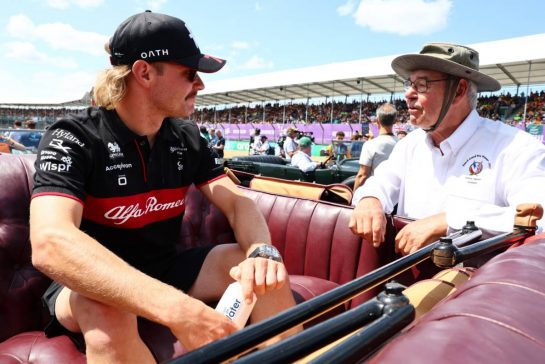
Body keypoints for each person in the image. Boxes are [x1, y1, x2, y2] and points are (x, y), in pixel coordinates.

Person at [30, 11, 298, 364]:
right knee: (107, 308)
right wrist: (178, 309)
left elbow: (238, 203)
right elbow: (50, 242)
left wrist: (262, 252)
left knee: (258, 271)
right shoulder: (73, 136)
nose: (200, 84)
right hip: (88, 283)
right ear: (143, 72)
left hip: (164, 267)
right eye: (189, 73)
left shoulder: (187, 137)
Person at [349, 42, 545, 256]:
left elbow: (537, 219)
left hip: (475, 284)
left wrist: (451, 220)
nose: (408, 94)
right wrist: (370, 199)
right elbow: (381, 182)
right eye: (409, 84)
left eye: (422, 85)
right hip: (403, 278)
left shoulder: (517, 147)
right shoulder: (409, 145)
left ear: (459, 90)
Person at [353, 103, 398, 191]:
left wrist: (353, 198)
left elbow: (362, 175)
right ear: (395, 121)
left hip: (377, 195)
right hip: (398, 198)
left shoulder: (370, 145)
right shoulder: (403, 143)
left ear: (377, 121)